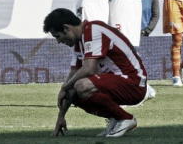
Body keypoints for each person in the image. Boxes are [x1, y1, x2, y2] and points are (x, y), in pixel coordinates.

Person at [44, 8, 147, 137]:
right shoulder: (79, 42)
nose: (59, 42)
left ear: (66, 28)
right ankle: (116, 118)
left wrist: (64, 87)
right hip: (118, 83)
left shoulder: (93, 30)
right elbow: (73, 74)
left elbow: (89, 69)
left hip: (134, 83)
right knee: (72, 93)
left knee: (81, 85)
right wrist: (61, 116)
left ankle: (125, 118)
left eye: (58, 36)